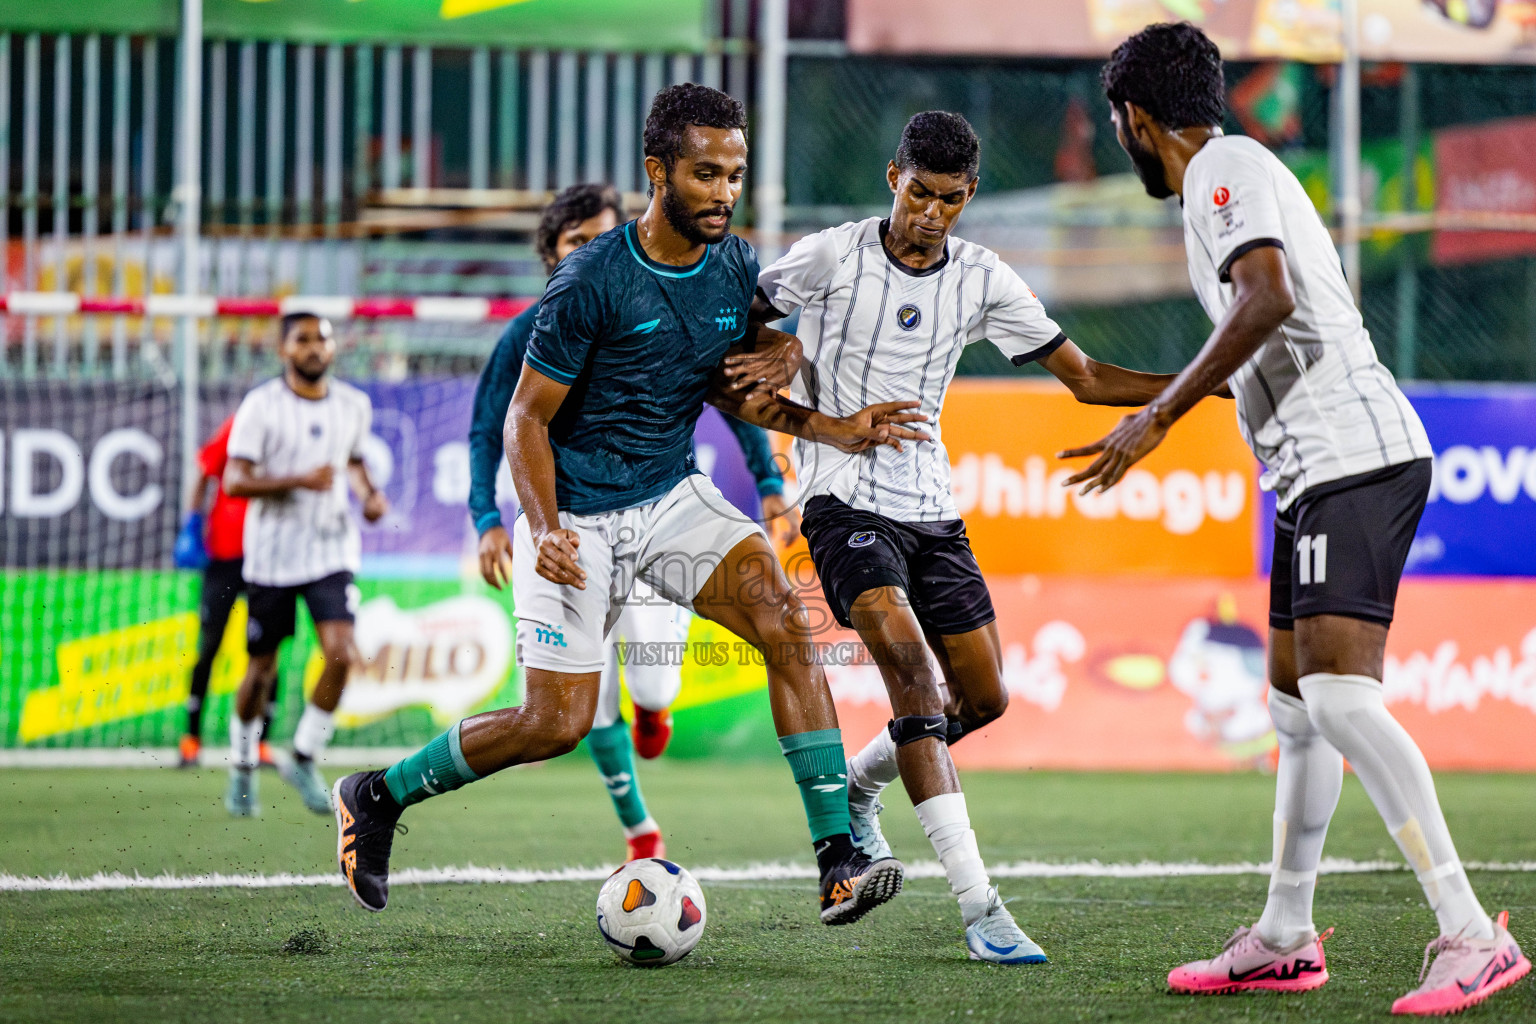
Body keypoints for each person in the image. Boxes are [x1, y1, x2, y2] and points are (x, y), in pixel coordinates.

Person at [332, 82, 926, 923]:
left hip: (670, 494)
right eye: (704, 174)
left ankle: (837, 858)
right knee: (555, 724)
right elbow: (523, 420)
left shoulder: (736, 264)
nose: (724, 192)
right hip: (575, 513)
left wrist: (834, 426)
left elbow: (737, 392)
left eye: (735, 173)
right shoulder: (589, 280)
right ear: (658, 172)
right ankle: (377, 793)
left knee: (788, 626)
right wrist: (539, 529)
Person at [1079, 23, 1528, 1014]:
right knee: (1294, 706)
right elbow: (1258, 332)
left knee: (1333, 698)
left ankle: (1468, 931)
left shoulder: (1220, 168)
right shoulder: (1230, 177)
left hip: (1350, 455)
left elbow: (1269, 297)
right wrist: (1145, 393)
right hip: (1315, 468)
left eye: (1120, 125)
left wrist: (1156, 416)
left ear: (1135, 120)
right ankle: (1285, 934)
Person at [752, 110, 1185, 964]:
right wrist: (776, 356)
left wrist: (1207, 384)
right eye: (918, 195)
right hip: (842, 504)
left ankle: (860, 787)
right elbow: (737, 320)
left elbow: (1088, 377)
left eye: (949, 201)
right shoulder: (832, 255)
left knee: (981, 700)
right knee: (912, 675)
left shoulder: (983, 277)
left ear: (969, 197)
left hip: (934, 511)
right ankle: (981, 907)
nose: (930, 216)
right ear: (892, 180)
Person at [469, 183, 801, 862]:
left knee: (650, 684)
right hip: (565, 527)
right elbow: (491, 427)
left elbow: (729, 386)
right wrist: (488, 518)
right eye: (576, 242)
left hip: (653, 510)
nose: (595, 248)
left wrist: (768, 481)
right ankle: (638, 827)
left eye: (604, 233)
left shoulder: (656, 299)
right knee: (578, 701)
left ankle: (653, 707)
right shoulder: (526, 332)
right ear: (551, 257)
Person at [222, 313, 389, 817]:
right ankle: (243, 764)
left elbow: (354, 461)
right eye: (303, 339)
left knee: (341, 653)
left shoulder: (353, 405)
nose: (315, 347)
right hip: (272, 555)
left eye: (323, 338)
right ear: (283, 350)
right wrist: (296, 479)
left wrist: (369, 497)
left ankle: (302, 756)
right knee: (262, 667)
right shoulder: (261, 406)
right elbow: (234, 481)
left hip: (330, 550)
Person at [173, 414, 281, 770]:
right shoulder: (241, 423)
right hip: (223, 556)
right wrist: (193, 521)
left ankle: (261, 744)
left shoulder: (291, 429)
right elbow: (204, 470)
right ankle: (191, 739)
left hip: (266, 557)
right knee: (210, 645)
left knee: (267, 651)